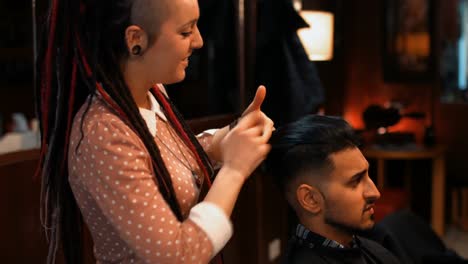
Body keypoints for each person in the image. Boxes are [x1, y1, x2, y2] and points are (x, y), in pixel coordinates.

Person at [35, 0, 274, 263]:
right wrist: (234, 169)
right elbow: (176, 256)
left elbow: (168, 158)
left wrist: (230, 136)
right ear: (135, 38)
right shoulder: (103, 133)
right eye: (186, 31)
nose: (199, 41)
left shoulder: (153, 93)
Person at [264, 115, 400, 264]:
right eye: (356, 181)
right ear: (311, 199)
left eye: (367, 176)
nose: (375, 192)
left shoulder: (368, 246)